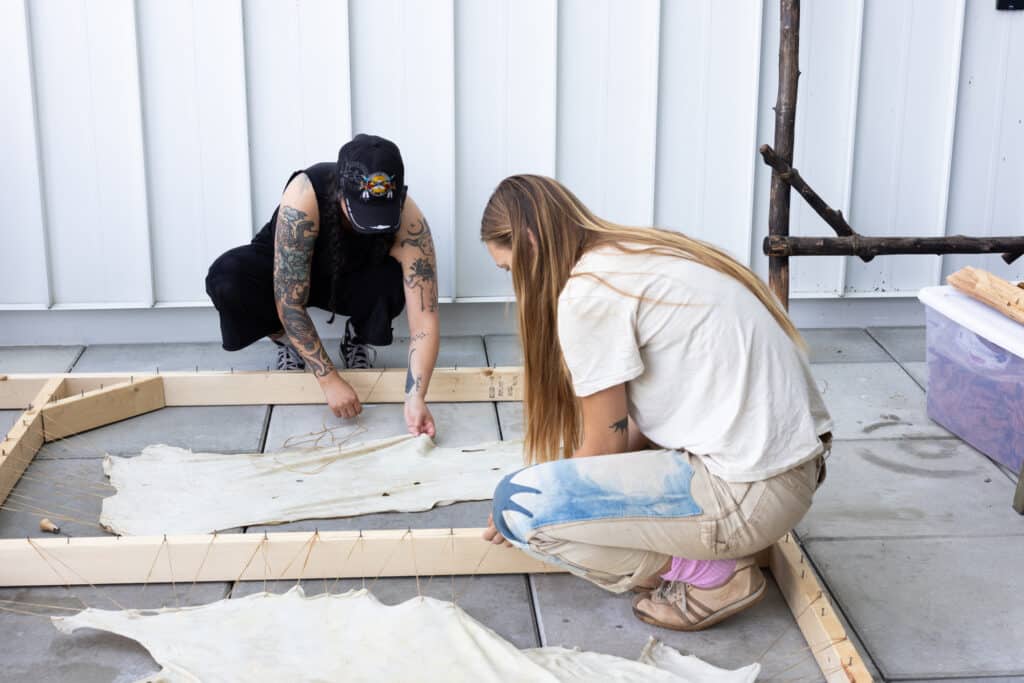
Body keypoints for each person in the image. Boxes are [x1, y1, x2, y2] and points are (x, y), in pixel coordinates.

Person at [480, 175, 831, 631]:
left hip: (751, 495)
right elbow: (634, 426)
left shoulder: (587, 292)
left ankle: (713, 574)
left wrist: (546, 500)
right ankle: (709, 551)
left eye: (509, 270)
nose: (515, 286)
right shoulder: (637, 255)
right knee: (552, 487)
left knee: (519, 505)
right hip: (790, 470)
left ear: (529, 242)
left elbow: (604, 449)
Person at [206, 135, 439, 436]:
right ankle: (287, 342)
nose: (367, 227)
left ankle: (356, 337)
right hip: (290, 271)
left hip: (350, 275)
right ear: (339, 193)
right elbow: (288, 301)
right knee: (227, 277)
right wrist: (329, 379)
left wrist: (416, 396)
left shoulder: (410, 220)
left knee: (394, 278)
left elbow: (425, 320)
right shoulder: (303, 197)